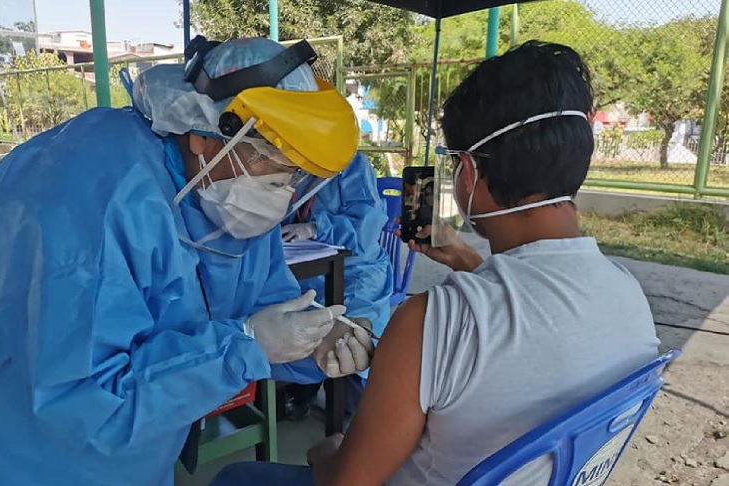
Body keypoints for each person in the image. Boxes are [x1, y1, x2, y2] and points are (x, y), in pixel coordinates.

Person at [210, 40, 660, 486]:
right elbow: (537, 315)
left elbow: (345, 482)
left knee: (239, 476)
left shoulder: (433, 321)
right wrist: (467, 261)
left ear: (468, 171)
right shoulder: (628, 297)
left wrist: (326, 452)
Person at [0, 36, 374, 486]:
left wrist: (315, 337)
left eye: (295, 173)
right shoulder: (87, 196)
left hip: (140, 453)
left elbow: (261, 306)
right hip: (22, 455)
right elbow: (86, 400)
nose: (284, 188)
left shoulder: (226, 199)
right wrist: (245, 346)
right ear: (203, 135)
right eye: (271, 160)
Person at [279, 151, 393, 420]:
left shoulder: (349, 163)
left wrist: (316, 228)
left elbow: (366, 228)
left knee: (353, 343)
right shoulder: (284, 159)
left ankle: (360, 411)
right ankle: (301, 391)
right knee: (293, 332)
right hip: (304, 272)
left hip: (357, 272)